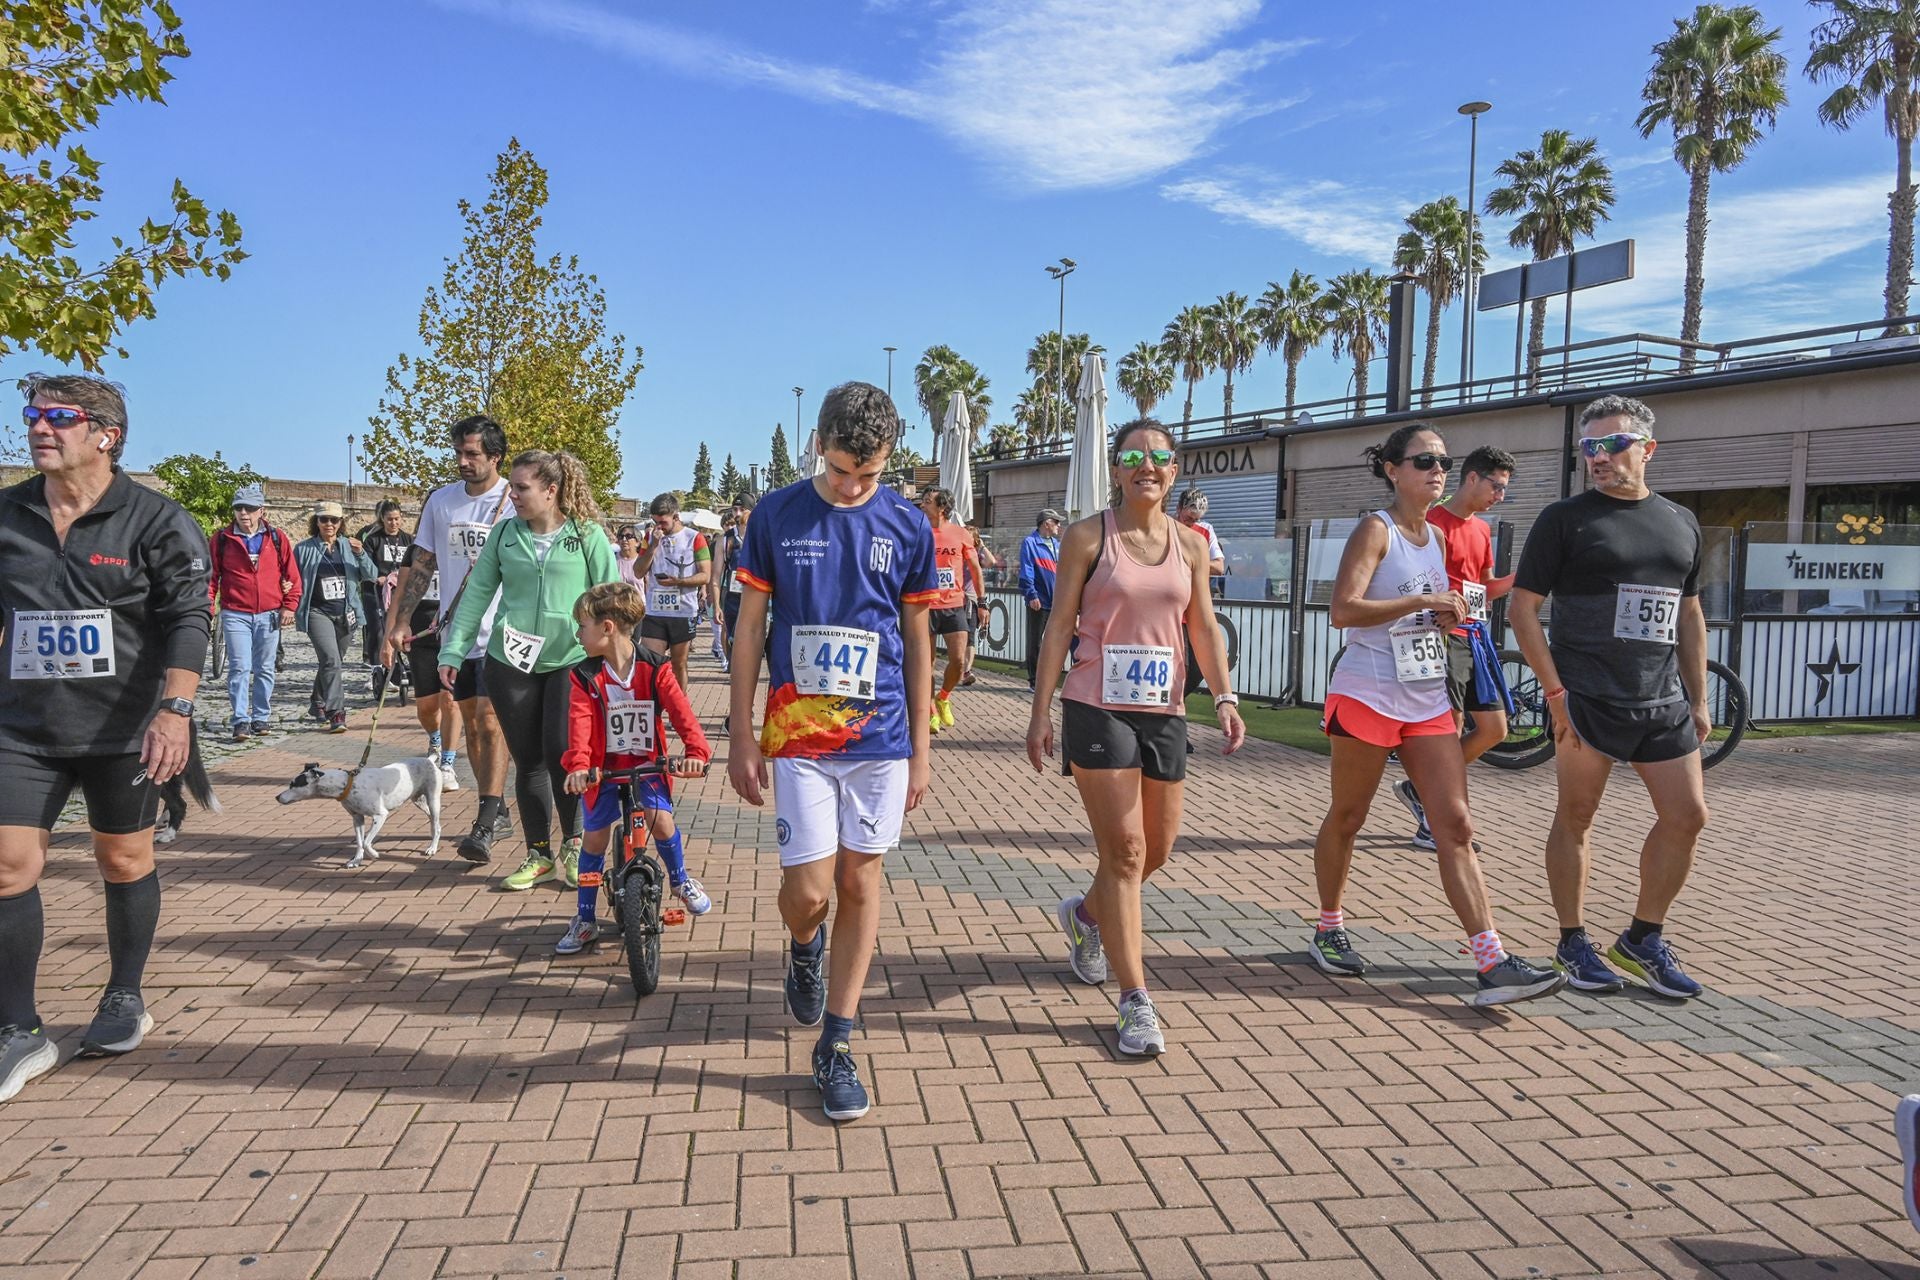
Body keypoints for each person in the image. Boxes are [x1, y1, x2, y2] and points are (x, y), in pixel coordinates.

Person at [728, 381, 937, 1123]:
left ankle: (838, 1043)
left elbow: (917, 638)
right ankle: (803, 946)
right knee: (811, 895)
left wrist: (922, 740)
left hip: (879, 738)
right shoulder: (776, 514)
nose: (853, 486)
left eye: (870, 474)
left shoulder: (909, 525)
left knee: (859, 883)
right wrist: (740, 730)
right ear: (819, 442)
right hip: (797, 737)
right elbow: (749, 628)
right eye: (844, 468)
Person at [0, 372, 210, 1101]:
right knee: (8, 864)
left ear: (104, 434)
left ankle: (124, 995)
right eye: (32, 415)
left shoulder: (153, 520)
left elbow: (188, 617)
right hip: (21, 725)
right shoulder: (7, 515)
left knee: (122, 859)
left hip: (125, 726)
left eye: (58, 417)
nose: (38, 427)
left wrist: (175, 710)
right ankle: (19, 1028)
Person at [1312, 422, 1563, 1007]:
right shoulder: (1376, 529)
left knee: (1456, 825)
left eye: (1443, 463)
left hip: (1424, 692)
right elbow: (1343, 610)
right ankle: (1329, 926)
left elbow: (1432, 610)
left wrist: (1445, 617)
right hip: (1367, 691)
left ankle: (1491, 960)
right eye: (1423, 461)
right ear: (1392, 469)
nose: (1436, 471)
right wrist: (1425, 601)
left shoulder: (1438, 538)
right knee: (1348, 817)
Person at [1026, 419, 1247, 1057]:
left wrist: (1226, 698)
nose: (1146, 466)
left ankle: (1086, 917)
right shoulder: (1087, 537)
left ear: (1175, 470)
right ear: (1116, 469)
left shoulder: (1191, 545)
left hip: (1165, 707)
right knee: (1124, 850)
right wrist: (1041, 714)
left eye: (1159, 458)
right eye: (1132, 457)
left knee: (1155, 851)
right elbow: (1058, 627)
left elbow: (1202, 625)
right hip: (1097, 703)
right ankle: (1135, 1000)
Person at [1509, 395, 1712, 999]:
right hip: (1586, 697)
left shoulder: (1680, 521)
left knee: (1687, 816)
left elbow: (1690, 612)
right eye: (1588, 447)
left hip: (1660, 699)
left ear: (1647, 449)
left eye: (1611, 444)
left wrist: (1698, 700)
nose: (1597, 457)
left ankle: (1643, 938)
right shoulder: (1565, 519)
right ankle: (1572, 941)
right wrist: (1554, 693)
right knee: (1576, 816)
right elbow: (1523, 609)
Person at [439, 450, 619, 893]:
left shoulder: (586, 534)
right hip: (511, 661)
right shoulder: (504, 535)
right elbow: (478, 595)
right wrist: (453, 651)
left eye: (521, 488)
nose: (512, 495)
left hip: (572, 660)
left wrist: (615, 654)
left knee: (565, 755)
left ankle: (574, 846)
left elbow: (610, 597)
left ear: (550, 490)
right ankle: (539, 853)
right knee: (529, 762)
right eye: (513, 487)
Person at [384, 416, 515, 863]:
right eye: (458, 453)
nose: (462, 461)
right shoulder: (441, 502)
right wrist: (400, 621)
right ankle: (493, 805)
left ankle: (488, 814)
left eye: (472, 454)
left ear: (495, 457)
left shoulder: (513, 500)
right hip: (458, 631)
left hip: (506, 630)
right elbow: (423, 564)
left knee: (491, 720)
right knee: (473, 724)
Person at [558, 582, 714, 956]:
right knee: (593, 838)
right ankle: (584, 917)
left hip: (647, 764)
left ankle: (679, 879)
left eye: (583, 626)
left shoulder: (655, 668)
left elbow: (681, 713)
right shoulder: (583, 675)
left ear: (607, 627)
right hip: (602, 769)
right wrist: (580, 766)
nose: (578, 634)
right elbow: (579, 723)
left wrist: (696, 750)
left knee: (661, 821)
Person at [1392, 446, 1518, 850]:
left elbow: (1484, 589)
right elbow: (1414, 581)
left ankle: (1419, 789)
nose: (1498, 496)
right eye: (1495, 486)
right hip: (1439, 638)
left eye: (1504, 490)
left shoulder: (1482, 530)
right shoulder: (1433, 522)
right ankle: (1434, 819)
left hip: (1475, 639)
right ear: (1472, 478)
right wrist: (1442, 607)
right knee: (1449, 730)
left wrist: (1525, 575)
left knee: (1495, 729)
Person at [207, 482, 299, 741]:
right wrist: (207, 606)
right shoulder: (222, 540)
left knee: (265, 668)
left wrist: (289, 605)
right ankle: (240, 720)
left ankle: (261, 717)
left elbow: (292, 575)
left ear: (262, 510)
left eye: (249, 508)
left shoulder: (277, 538)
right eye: (238, 508)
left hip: (269, 613)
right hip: (235, 612)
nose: (243, 513)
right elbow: (211, 577)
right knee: (239, 667)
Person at [293, 501, 377, 734]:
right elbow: (294, 579)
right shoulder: (304, 549)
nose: (329, 524)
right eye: (324, 519)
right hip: (317, 612)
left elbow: (371, 574)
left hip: (346, 612)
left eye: (334, 520)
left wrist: (360, 554)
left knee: (332, 661)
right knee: (331, 660)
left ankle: (317, 701)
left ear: (341, 523)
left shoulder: (350, 546)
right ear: (316, 522)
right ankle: (336, 712)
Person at [398, 539, 460, 791]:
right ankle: (435, 739)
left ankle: (447, 763)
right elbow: (400, 593)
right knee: (426, 707)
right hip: (420, 635)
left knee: (450, 700)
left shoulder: (458, 547)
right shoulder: (415, 552)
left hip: (453, 633)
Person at [917, 487, 979, 733]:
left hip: (954, 604)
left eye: (928, 500)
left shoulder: (960, 534)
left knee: (958, 660)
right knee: (926, 665)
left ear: (942, 507)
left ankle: (943, 697)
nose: (922, 503)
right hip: (925, 606)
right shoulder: (918, 531)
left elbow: (975, 568)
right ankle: (931, 711)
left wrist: (982, 602)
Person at [636, 493, 712, 689]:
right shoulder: (649, 537)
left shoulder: (695, 538)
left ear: (676, 517)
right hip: (655, 611)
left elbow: (705, 576)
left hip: (683, 611)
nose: (658, 527)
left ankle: (679, 711)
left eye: (663, 522)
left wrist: (679, 581)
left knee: (679, 664)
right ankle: (654, 711)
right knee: (652, 664)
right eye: (655, 522)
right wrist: (652, 546)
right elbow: (638, 571)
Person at [361, 500, 412, 671]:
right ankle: (376, 666)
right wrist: (378, 577)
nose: (394, 523)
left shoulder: (408, 540)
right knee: (378, 629)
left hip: (400, 590)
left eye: (397, 519)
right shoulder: (373, 540)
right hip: (377, 591)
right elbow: (365, 563)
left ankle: (402, 664)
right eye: (390, 519)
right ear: (382, 518)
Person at [1019, 510, 1063, 691]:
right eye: (1057, 522)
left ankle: (1051, 679)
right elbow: (1026, 570)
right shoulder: (1030, 543)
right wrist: (1032, 595)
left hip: (1058, 601)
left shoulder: (1057, 544)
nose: (1059, 526)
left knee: (1055, 641)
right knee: (1035, 641)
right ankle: (1034, 680)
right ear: (1047, 523)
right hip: (1039, 600)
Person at [718, 495, 754, 675]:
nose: (738, 514)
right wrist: (715, 603)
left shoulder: (761, 535)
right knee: (730, 633)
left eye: (742, 510)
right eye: (734, 510)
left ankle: (746, 670)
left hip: (755, 594)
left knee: (752, 635)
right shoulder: (727, 539)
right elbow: (716, 574)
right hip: (732, 594)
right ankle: (733, 665)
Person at [614, 524, 646, 591]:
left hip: (638, 600)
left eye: (629, 536)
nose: (624, 539)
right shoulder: (613, 560)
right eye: (621, 536)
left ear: (637, 542)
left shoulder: (643, 561)